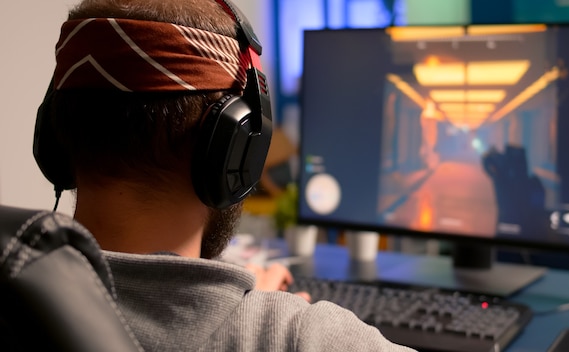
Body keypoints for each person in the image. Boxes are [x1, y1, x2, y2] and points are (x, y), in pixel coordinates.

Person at [34, 0, 413, 350]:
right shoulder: (299, 336)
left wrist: (234, 303)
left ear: (53, 140)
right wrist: (266, 320)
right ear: (238, 151)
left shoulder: (17, 289)